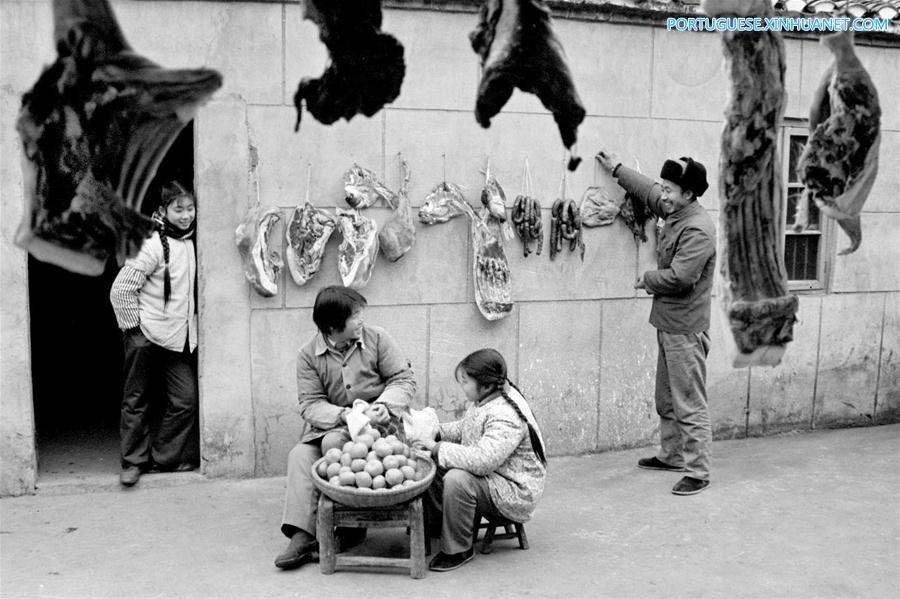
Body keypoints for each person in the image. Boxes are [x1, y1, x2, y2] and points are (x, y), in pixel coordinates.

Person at [596, 150, 716, 496]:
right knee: (666, 395)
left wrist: (647, 278)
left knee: (689, 400)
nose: (663, 195)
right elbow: (648, 191)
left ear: (690, 194)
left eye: (670, 190)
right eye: (665, 188)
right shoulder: (675, 209)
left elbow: (681, 278)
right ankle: (672, 454)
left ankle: (698, 470)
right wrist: (616, 169)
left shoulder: (698, 229)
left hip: (686, 328)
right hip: (668, 322)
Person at [275, 285, 416, 570]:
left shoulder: (377, 338)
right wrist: (344, 415)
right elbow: (310, 403)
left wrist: (384, 406)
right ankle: (303, 536)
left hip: (382, 425)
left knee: (335, 447)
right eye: (354, 316)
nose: (361, 320)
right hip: (334, 423)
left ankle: (350, 524)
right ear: (332, 326)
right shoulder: (308, 356)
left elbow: (403, 379)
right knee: (300, 456)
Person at [418, 348, 546, 572]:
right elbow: (465, 428)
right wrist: (434, 432)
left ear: (485, 384)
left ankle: (458, 549)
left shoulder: (506, 415)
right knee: (431, 463)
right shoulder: (487, 397)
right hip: (495, 474)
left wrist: (437, 447)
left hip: (513, 489)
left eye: (465, 382)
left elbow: (483, 461)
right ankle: (442, 524)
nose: (462, 387)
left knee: (457, 478)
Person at [110, 181, 199, 487]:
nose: (186, 216)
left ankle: (162, 458)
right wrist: (134, 331)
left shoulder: (189, 242)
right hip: (145, 334)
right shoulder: (150, 244)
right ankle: (132, 463)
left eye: (190, 209)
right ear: (164, 211)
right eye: (179, 209)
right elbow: (120, 290)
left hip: (175, 339)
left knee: (185, 400)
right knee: (136, 399)